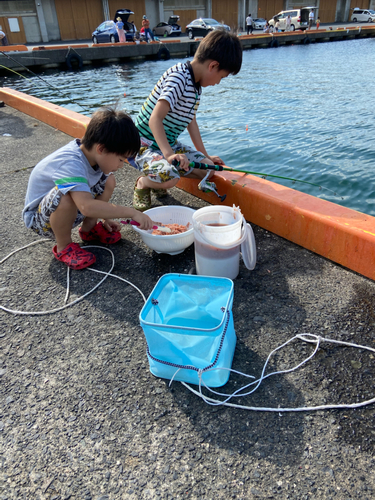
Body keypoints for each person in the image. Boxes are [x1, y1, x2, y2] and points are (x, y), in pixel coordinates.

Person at [22, 107, 153, 270]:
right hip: (41, 220)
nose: (121, 165)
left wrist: (106, 218)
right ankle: (64, 247)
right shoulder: (71, 163)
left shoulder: (93, 157)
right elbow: (87, 206)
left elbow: (92, 197)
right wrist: (133, 212)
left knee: (109, 180)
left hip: (68, 211)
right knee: (65, 195)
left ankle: (89, 229)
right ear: (101, 149)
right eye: (120, 159)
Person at [133, 29, 242, 211]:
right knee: (172, 177)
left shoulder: (197, 87)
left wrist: (205, 156)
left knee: (209, 169)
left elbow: (192, 122)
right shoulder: (178, 78)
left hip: (168, 144)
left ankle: (159, 179)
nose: (218, 82)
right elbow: (155, 119)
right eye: (221, 77)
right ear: (213, 66)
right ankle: (144, 183)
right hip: (145, 145)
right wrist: (169, 155)